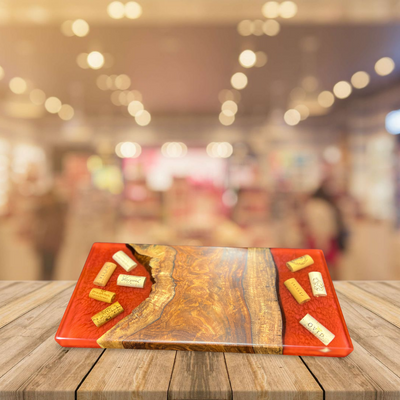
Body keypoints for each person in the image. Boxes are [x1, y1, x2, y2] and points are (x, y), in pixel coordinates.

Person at [303, 181, 348, 279]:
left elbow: (316, 225)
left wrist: (321, 240)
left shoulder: (313, 206)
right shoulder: (326, 205)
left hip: (320, 238)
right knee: (331, 264)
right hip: (329, 237)